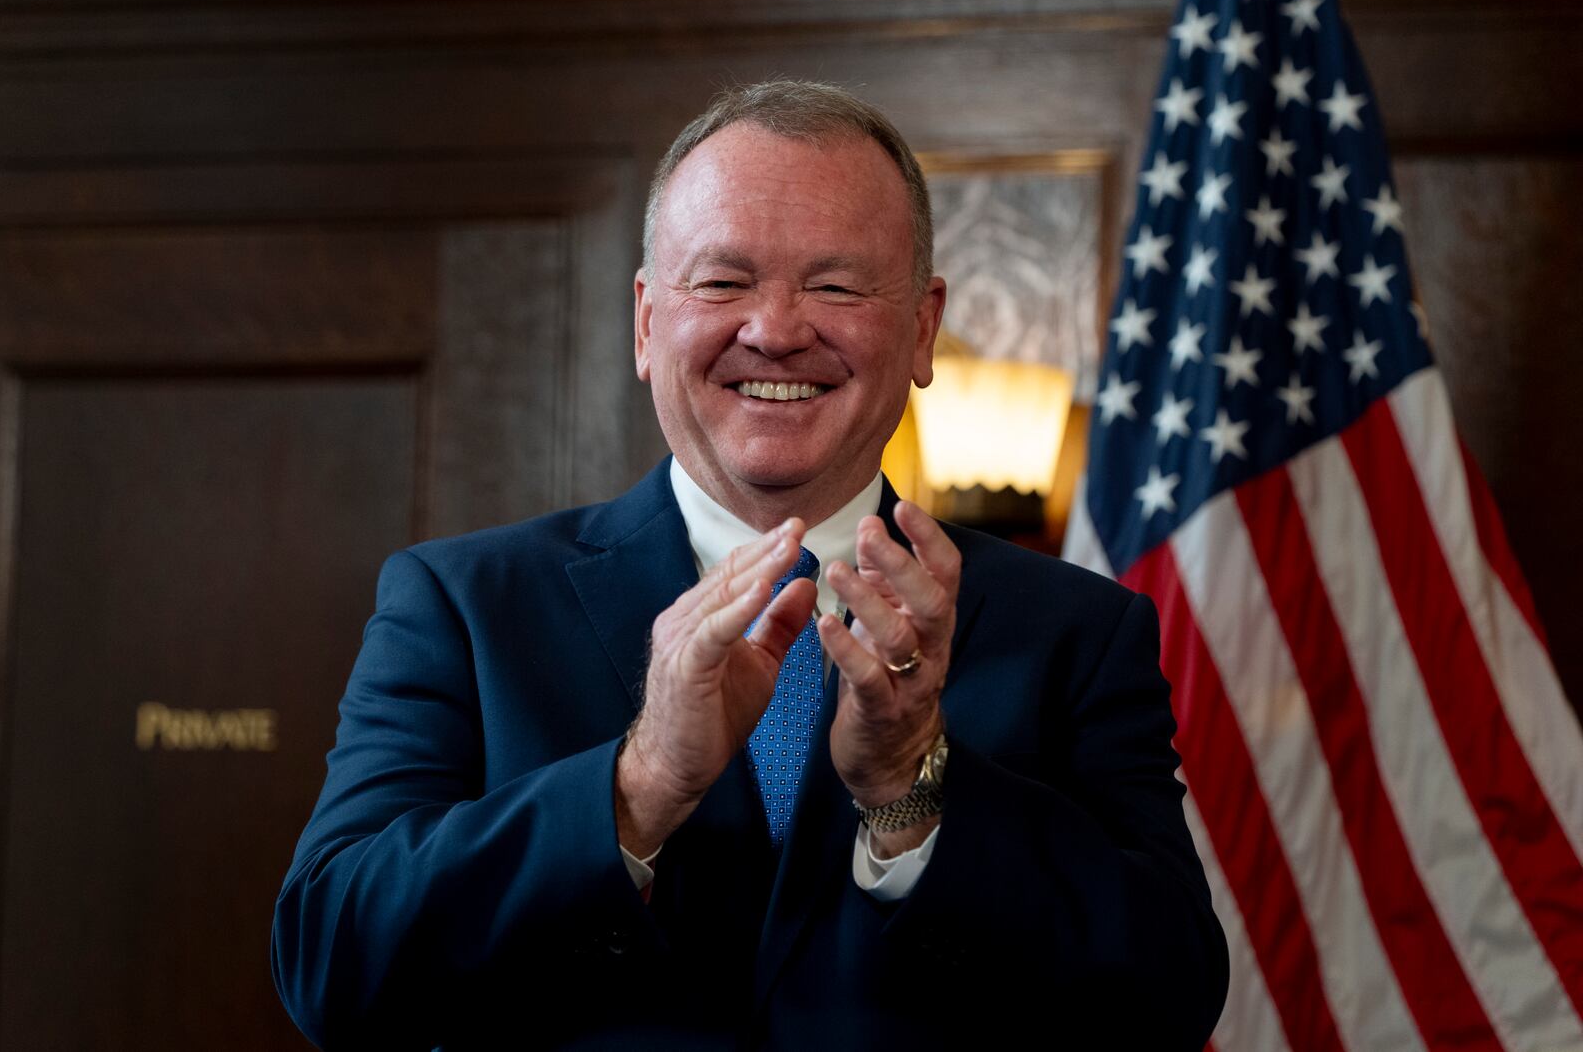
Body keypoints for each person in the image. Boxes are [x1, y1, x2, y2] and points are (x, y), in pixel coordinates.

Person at [273, 80, 1228, 1050]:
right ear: (647, 323)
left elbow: (1166, 997)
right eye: (723, 282)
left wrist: (911, 788)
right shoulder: (464, 606)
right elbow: (332, 966)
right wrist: (639, 784)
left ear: (922, 327)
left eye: (836, 285)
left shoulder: (1077, 630)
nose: (774, 328)